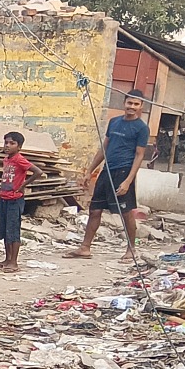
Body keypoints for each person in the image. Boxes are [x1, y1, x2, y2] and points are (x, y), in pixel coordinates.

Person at [66, 91, 148, 263]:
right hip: (107, 171)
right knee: (95, 210)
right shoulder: (114, 122)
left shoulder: (142, 128)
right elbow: (104, 148)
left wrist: (128, 181)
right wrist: (89, 171)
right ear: (124, 103)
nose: (132, 107)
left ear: (141, 106)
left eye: (136, 104)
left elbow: (139, 155)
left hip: (123, 172)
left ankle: (131, 249)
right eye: (130, 103)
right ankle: (85, 247)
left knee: (126, 212)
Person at [0, 131, 43, 273]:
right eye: (6, 143)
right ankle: (7, 259)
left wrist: (23, 185)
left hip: (15, 200)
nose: (7, 145)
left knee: (13, 230)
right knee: (4, 230)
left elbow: (38, 172)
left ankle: (14, 262)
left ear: (19, 146)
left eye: (12, 143)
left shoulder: (19, 159)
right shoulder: (6, 159)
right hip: (4, 198)